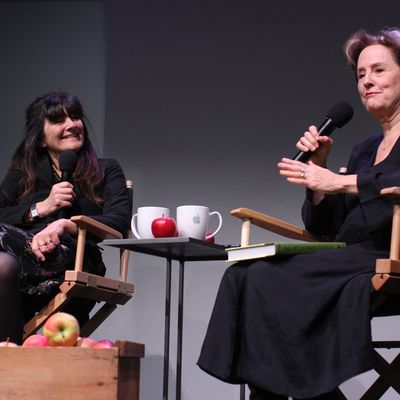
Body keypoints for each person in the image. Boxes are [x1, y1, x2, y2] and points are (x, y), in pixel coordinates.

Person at [197, 27, 400, 399]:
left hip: (387, 256)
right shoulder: (365, 149)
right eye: (360, 75)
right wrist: (317, 179)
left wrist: (338, 182)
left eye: (379, 70)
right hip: (350, 255)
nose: (367, 81)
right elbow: (327, 228)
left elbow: (389, 185)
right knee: (244, 275)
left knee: (269, 281)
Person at [0, 91, 131, 344]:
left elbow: (120, 220)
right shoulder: (23, 173)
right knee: (2, 265)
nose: (72, 124)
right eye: (59, 120)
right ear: (40, 139)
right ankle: (9, 359)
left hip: (76, 258)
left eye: (75, 117)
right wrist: (40, 208)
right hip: (22, 262)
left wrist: (65, 225)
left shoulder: (106, 169)